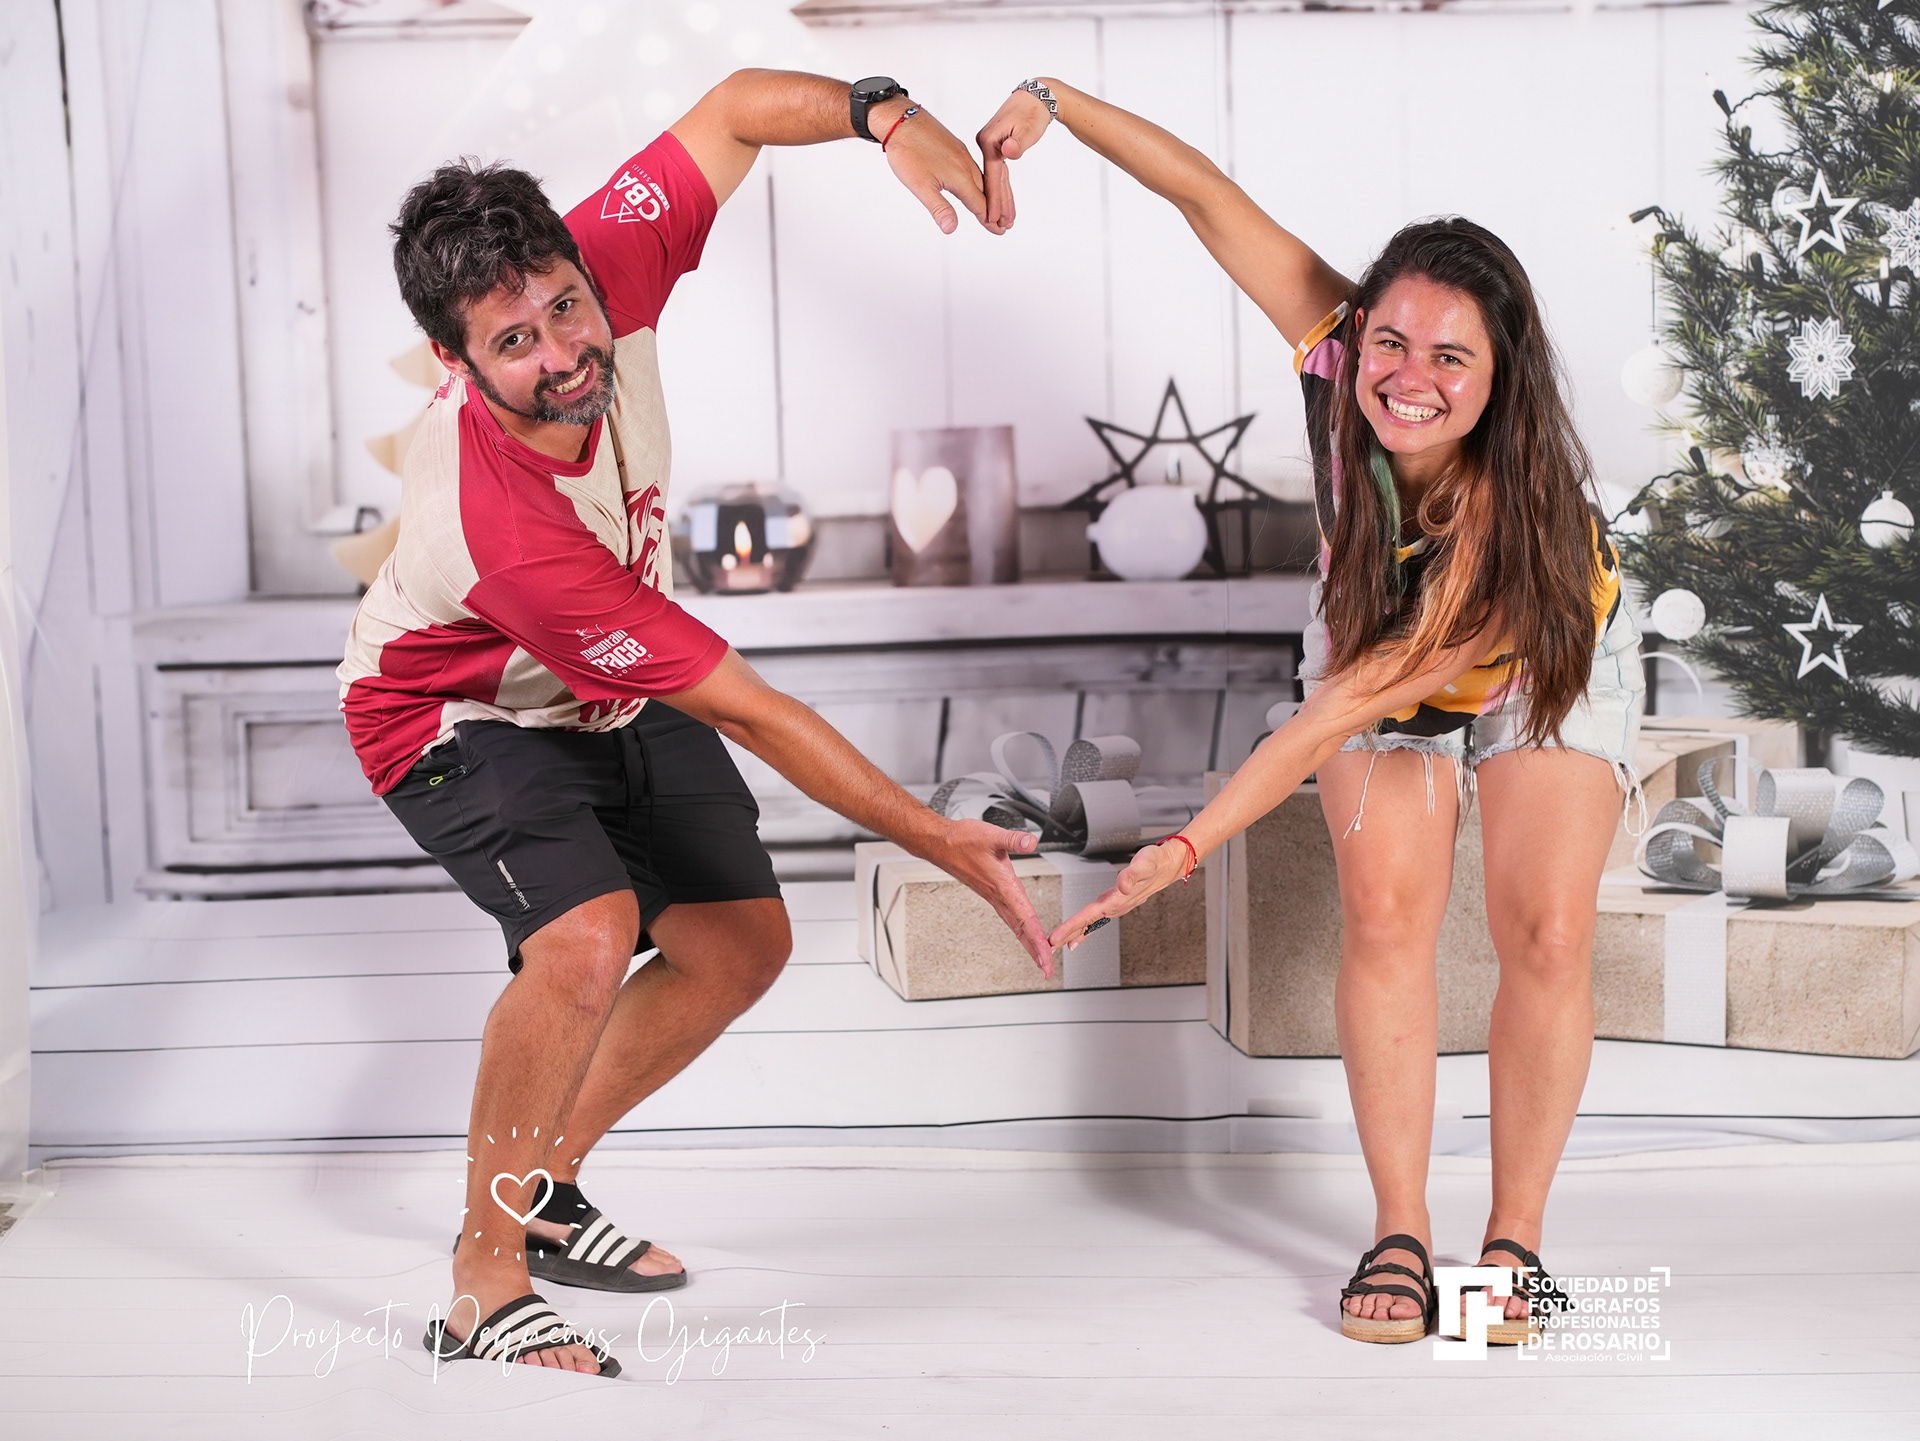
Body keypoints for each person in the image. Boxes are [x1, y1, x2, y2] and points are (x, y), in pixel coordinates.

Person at [338, 68, 1052, 1378]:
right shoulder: (503, 531)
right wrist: (936, 835)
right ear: (455, 361)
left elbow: (730, 111)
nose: (564, 353)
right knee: (585, 938)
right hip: (453, 708)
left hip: (598, 685)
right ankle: (483, 1283)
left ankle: (542, 1189)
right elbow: (754, 711)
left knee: (736, 944)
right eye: (514, 342)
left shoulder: (600, 263)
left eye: (565, 306)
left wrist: (886, 117)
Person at [977, 79, 1642, 1345]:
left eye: (1452, 357)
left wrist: (1180, 849)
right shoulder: (1342, 358)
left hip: (1536, 653)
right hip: (1371, 628)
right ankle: (1400, 1230)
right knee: (1385, 910)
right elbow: (1200, 195)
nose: (1408, 377)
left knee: (1546, 928)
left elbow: (1329, 719)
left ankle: (1515, 1240)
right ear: (1358, 329)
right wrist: (1056, 102)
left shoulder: (1514, 533)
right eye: (1393, 342)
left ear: (1500, 379)